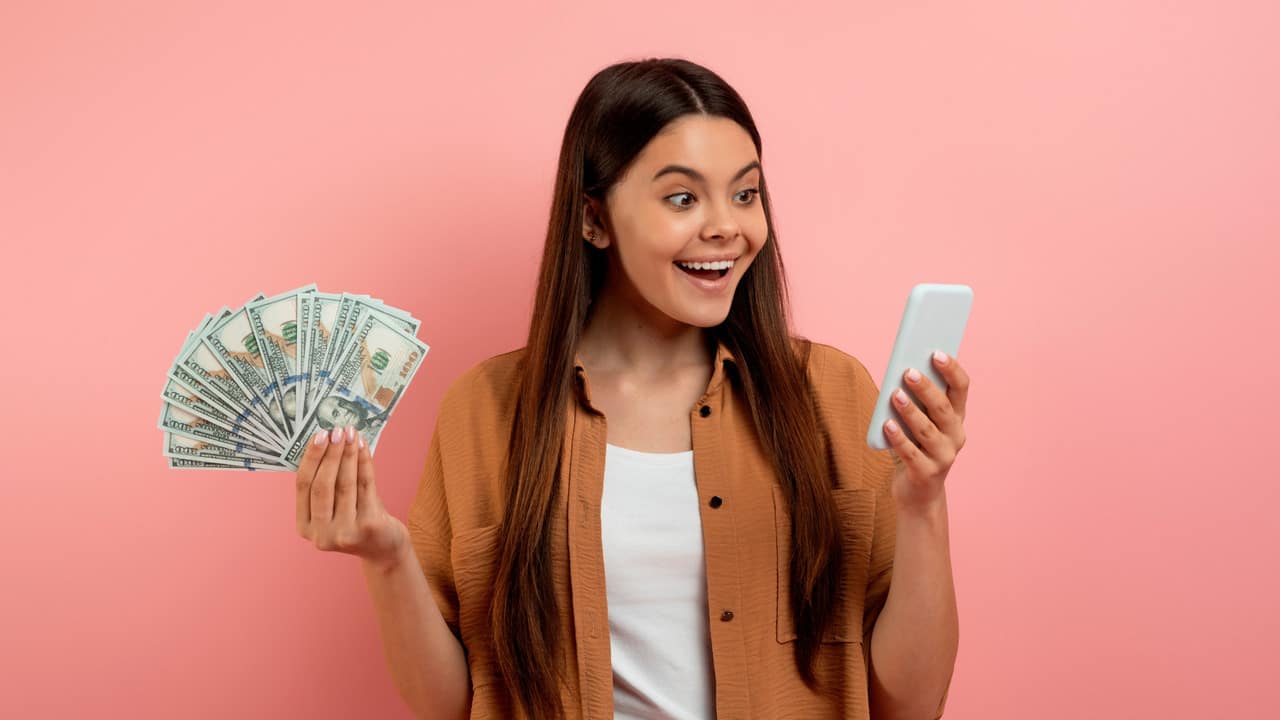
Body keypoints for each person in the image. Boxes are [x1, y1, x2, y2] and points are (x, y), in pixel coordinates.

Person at [293, 57, 965, 720]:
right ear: (594, 218)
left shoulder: (831, 393)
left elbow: (912, 704)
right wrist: (385, 558)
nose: (726, 226)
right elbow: (450, 705)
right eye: (682, 197)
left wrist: (922, 501)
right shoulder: (486, 410)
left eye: (745, 192)